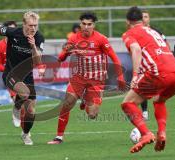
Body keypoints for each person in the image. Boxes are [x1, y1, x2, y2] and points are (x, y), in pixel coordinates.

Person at [47, 11, 126, 144]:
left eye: (89, 24)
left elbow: (114, 58)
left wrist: (121, 77)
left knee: (92, 115)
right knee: (67, 103)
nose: (86, 27)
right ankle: (59, 137)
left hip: (96, 79)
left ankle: (86, 99)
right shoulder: (73, 38)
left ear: (93, 25)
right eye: (84, 24)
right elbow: (61, 57)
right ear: (80, 24)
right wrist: (66, 52)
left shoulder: (101, 39)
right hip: (78, 77)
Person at [121, 6, 175, 153]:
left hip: (158, 73)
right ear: (142, 20)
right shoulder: (153, 31)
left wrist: (135, 76)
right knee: (159, 100)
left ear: (127, 21)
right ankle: (161, 132)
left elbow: (136, 49)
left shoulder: (129, 33)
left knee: (127, 103)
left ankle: (145, 133)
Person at [0, 11, 45, 145]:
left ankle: (25, 134)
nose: (33, 28)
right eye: (31, 25)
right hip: (10, 74)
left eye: (35, 25)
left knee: (31, 111)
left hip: (27, 76)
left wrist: (33, 46)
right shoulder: (13, 32)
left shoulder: (38, 37)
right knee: (24, 94)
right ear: (24, 24)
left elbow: (38, 61)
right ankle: (16, 107)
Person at [141, 10, 170, 120]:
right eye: (142, 17)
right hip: (144, 62)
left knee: (159, 90)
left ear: (149, 19)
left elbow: (166, 44)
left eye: (146, 16)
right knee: (143, 87)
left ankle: (159, 112)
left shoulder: (156, 31)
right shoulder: (138, 32)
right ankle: (144, 112)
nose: (144, 19)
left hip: (158, 63)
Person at [0, 20, 21, 127]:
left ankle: (18, 113)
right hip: (9, 76)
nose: (12, 31)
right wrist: (7, 69)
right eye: (10, 29)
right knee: (16, 98)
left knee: (27, 102)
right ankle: (17, 114)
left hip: (22, 74)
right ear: (4, 31)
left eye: (14, 29)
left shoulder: (21, 43)